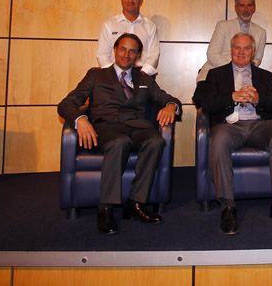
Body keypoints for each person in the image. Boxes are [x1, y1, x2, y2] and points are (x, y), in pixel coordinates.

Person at [58, 33, 181, 234]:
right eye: (123, 49)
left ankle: (135, 203)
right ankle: (105, 208)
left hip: (138, 127)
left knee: (156, 141)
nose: (126, 54)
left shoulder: (144, 79)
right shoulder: (96, 75)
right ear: (115, 50)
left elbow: (166, 97)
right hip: (107, 128)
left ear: (138, 56)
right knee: (119, 142)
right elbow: (66, 104)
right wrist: (80, 119)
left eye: (132, 51)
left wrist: (171, 106)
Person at [192, 33, 272, 234]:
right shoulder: (216, 74)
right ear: (231, 50)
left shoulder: (265, 76)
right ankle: (228, 207)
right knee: (219, 139)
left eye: (246, 48)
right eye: (237, 48)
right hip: (229, 126)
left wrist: (258, 99)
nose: (241, 52)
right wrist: (232, 97)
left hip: (259, 125)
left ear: (253, 51)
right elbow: (205, 102)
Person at [196, 0, 267, 82]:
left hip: (244, 76)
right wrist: (233, 67)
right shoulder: (223, 26)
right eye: (242, 5)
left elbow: (257, 60)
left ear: (254, 8)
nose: (246, 9)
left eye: (249, 5)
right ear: (236, 8)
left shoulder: (261, 32)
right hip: (216, 72)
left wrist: (243, 68)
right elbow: (212, 55)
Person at [96, 0, 160, 75]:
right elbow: (102, 55)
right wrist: (113, 75)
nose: (130, 0)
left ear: (141, 0)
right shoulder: (109, 25)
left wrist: (142, 75)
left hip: (141, 74)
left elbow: (153, 55)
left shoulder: (150, 27)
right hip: (113, 75)